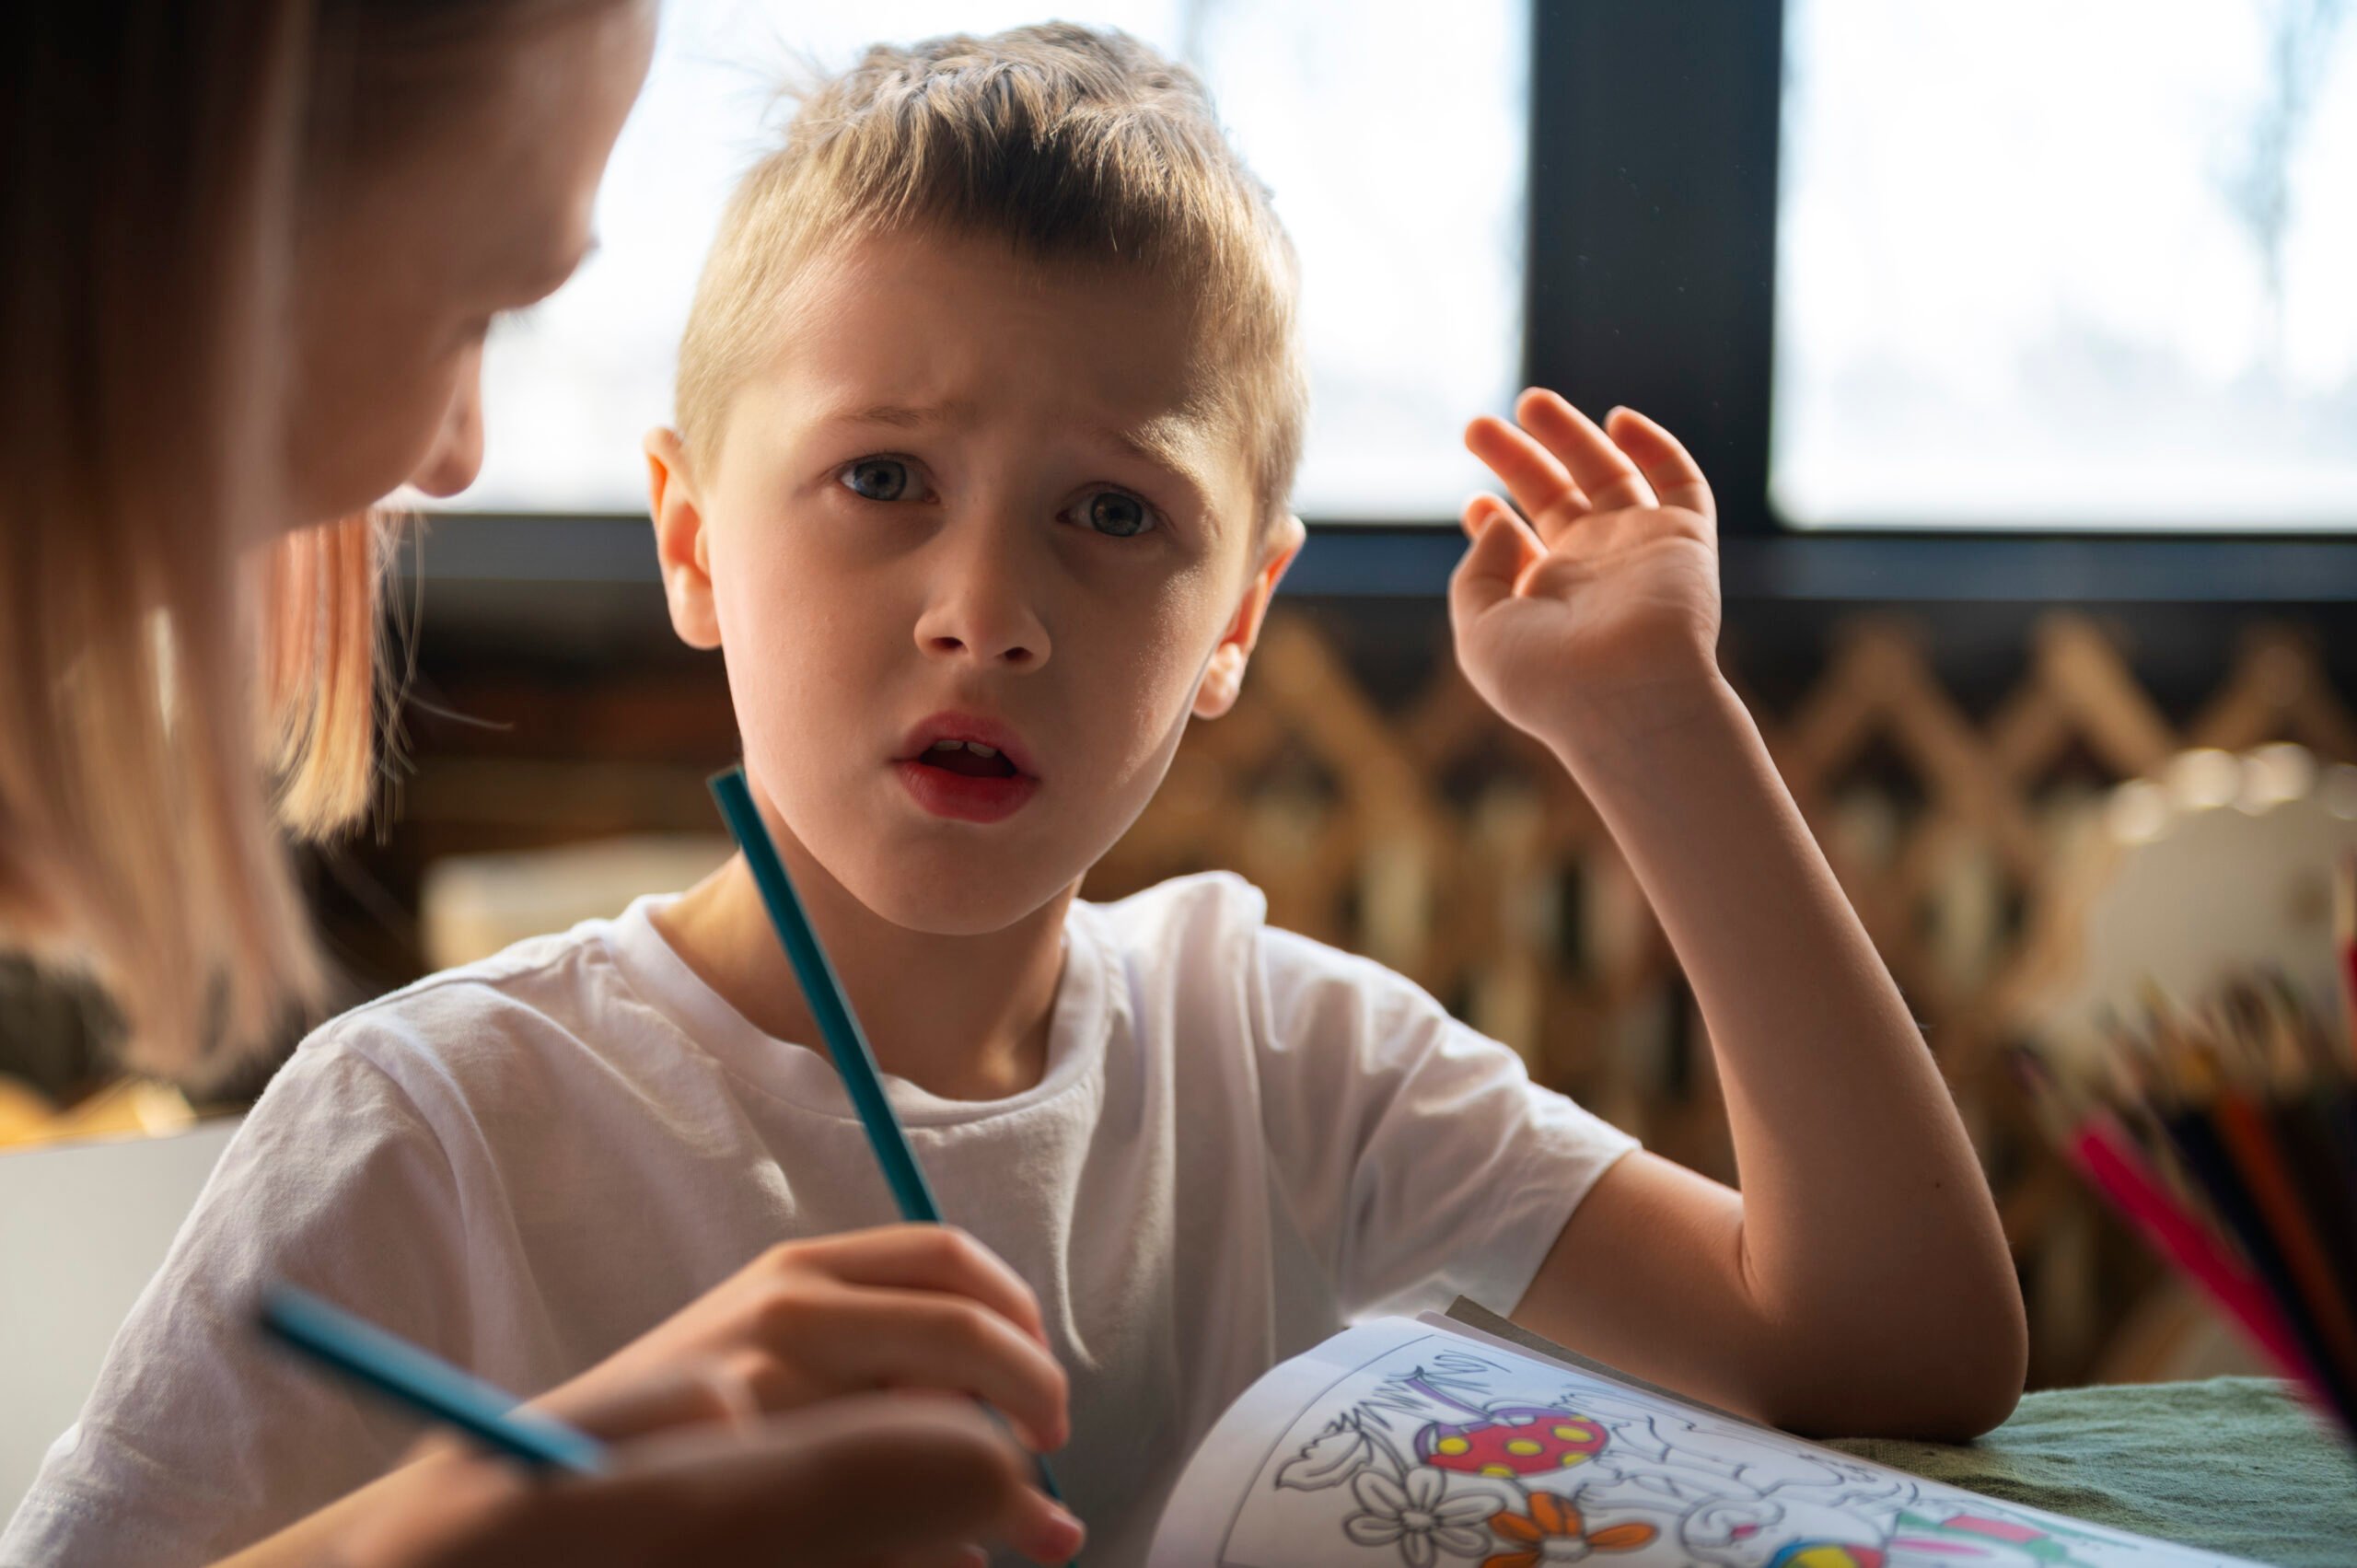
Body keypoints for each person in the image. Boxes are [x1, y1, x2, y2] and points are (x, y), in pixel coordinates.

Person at [8, 19, 2029, 1567]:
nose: (988, 613)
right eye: (880, 478)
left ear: (1238, 615)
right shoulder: (436, 1129)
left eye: (1110, 513)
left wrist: (1656, 734)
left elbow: (1892, 1353)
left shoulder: (1279, 1055)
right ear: (691, 542)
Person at [0, 4, 1079, 1564]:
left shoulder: (1251, 1030)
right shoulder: (418, 1123)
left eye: (1110, 510)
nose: (454, 454)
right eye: (478, 310)